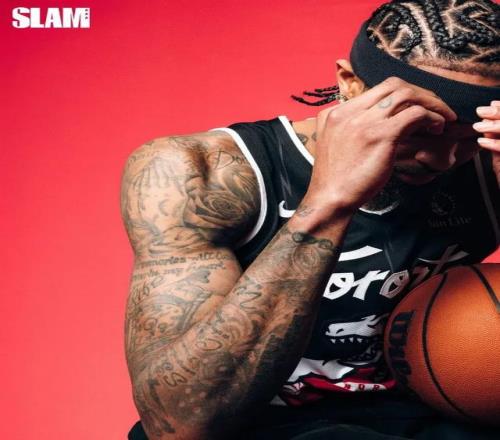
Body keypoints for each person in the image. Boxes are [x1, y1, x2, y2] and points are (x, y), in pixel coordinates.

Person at [121, 1, 500, 439]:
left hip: (427, 418)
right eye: (419, 131)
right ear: (350, 84)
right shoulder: (202, 173)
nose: (444, 158)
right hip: (257, 425)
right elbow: (178, 422)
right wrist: (328, 204)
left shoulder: (489, 164)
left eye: (469, 136)